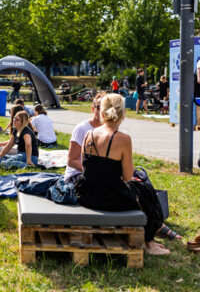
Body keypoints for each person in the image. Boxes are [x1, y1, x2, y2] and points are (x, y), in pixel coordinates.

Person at [74, 94, 178, 255]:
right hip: (109, 198)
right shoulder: (123, 139)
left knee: (142, 191)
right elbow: (128, 176)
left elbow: (86, 167)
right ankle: (148, 243)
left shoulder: (89, 134)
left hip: (86, 194)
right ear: (123, 114)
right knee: (147, 191)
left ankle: (152, 237)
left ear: (102, 113)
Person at [64, 93, 104, 183]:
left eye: (106, 109)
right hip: (77, 175)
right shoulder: (82, 128)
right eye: (100, 108)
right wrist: (94, 171)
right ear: (93, 109)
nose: (103, 112)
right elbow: (71, 160)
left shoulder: (108, 130)